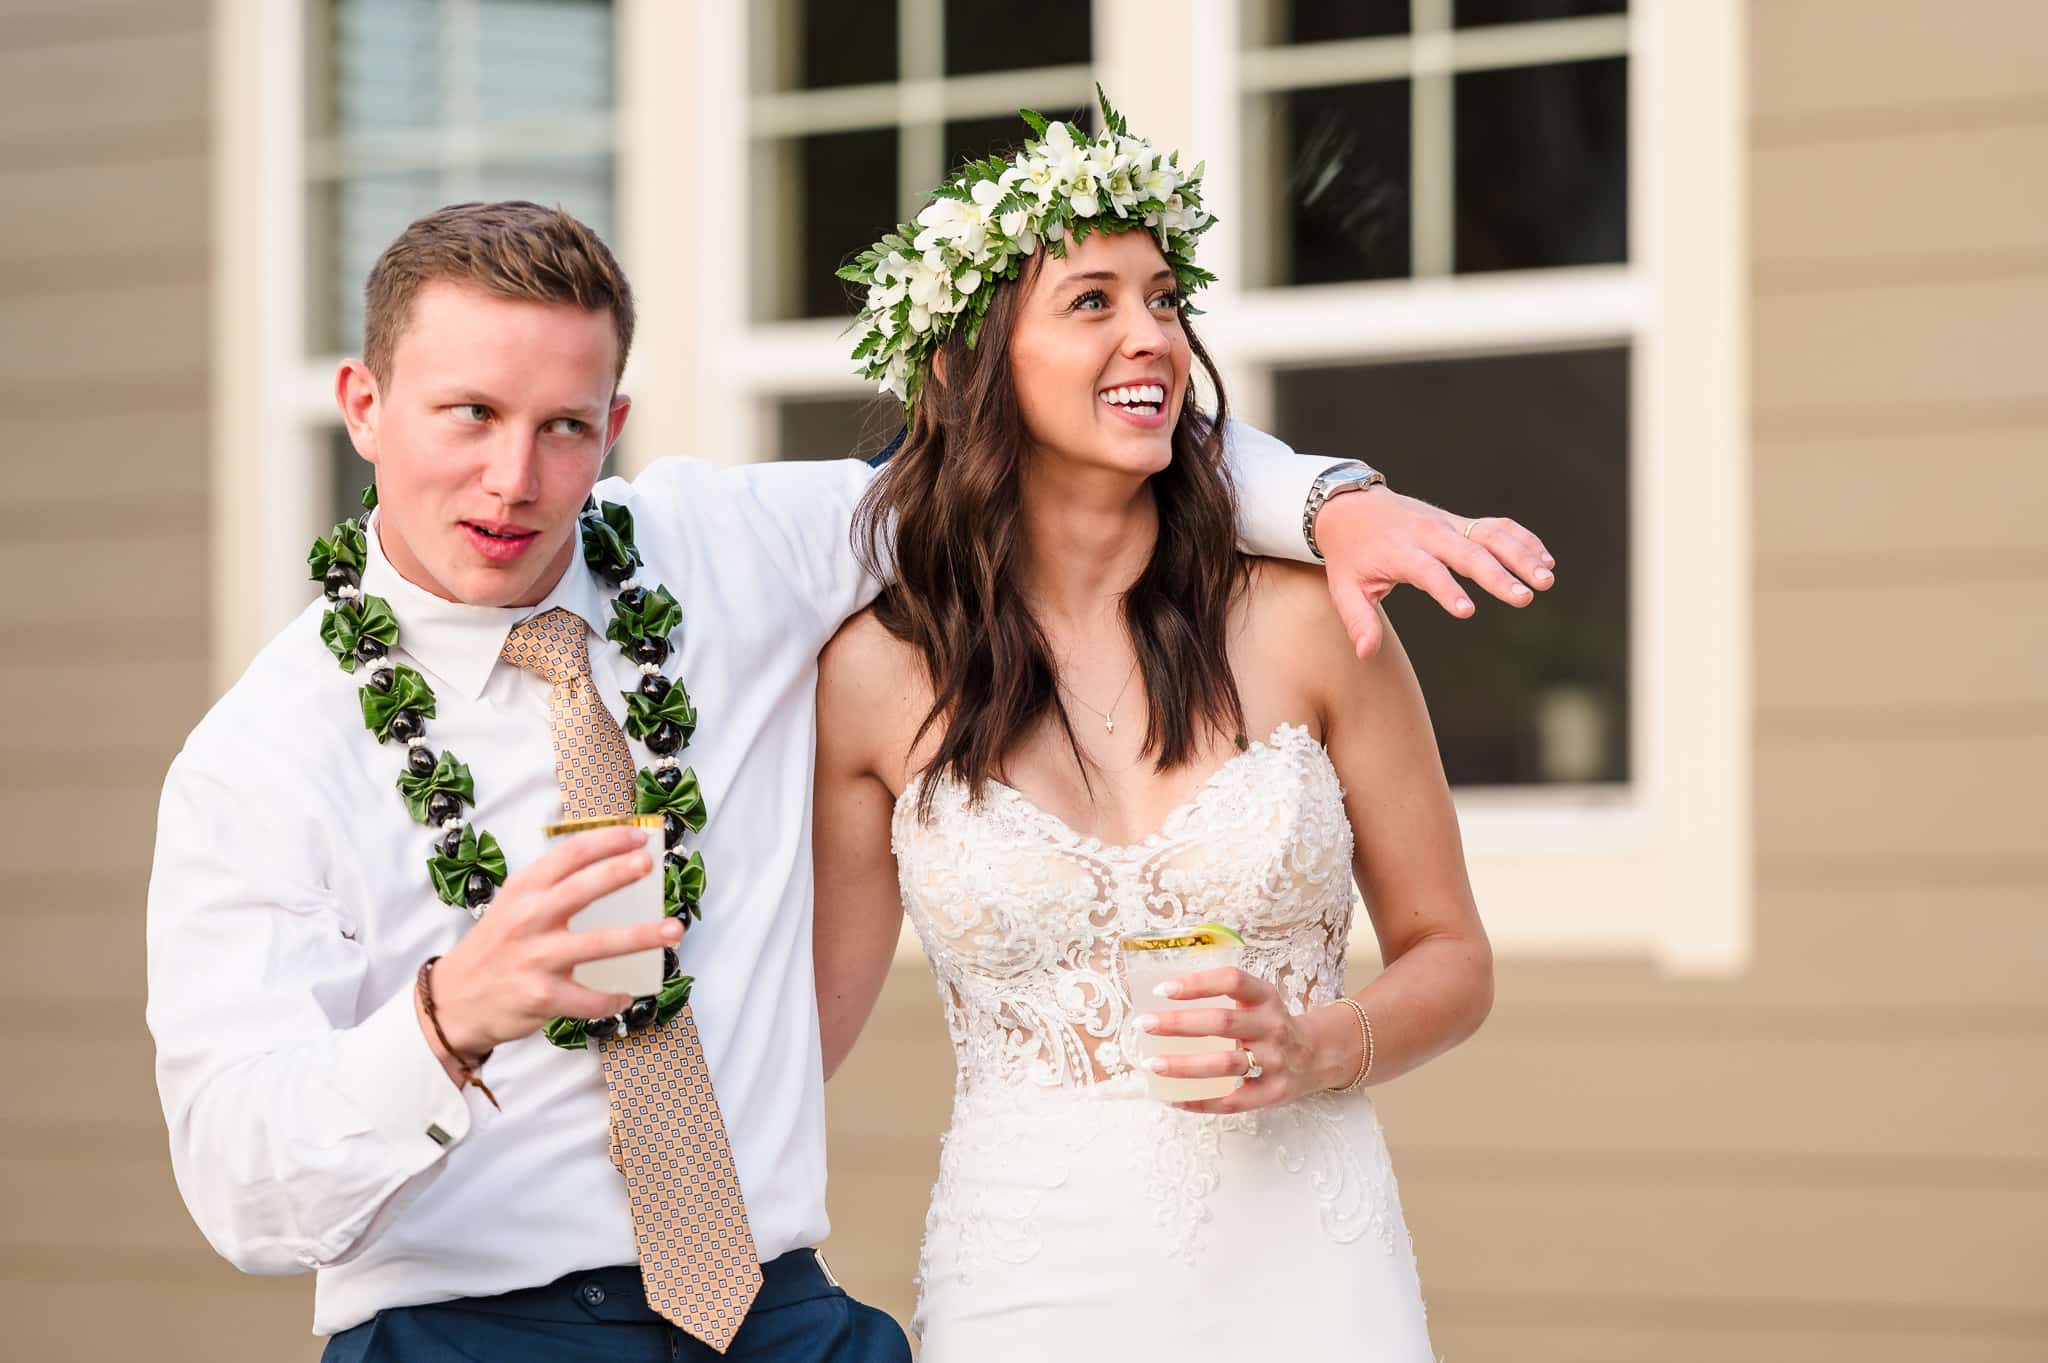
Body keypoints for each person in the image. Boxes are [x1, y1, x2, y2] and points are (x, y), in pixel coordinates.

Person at [144, 196, 1542, 1361]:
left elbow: (1053, 445)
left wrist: (1329, 498)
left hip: (774, 1311)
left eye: (566, 424)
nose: (516, 475)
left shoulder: (721, 546)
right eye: (468, 413)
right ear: (363, 403)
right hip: (465, 1326)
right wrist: (452, 1011)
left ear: (614, 417)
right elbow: (241, 1184)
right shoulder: (261, 762)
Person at [811, 96, 1503, 1358]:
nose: (1152, 336)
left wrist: (1314, 1045)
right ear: (969, 363)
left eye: (1166, 297)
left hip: (1313, 1266)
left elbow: (1451, 955)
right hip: (1027, 1270)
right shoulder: (873, 674)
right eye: (1092, 301)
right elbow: (800, 1033)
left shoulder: (1307, 624)